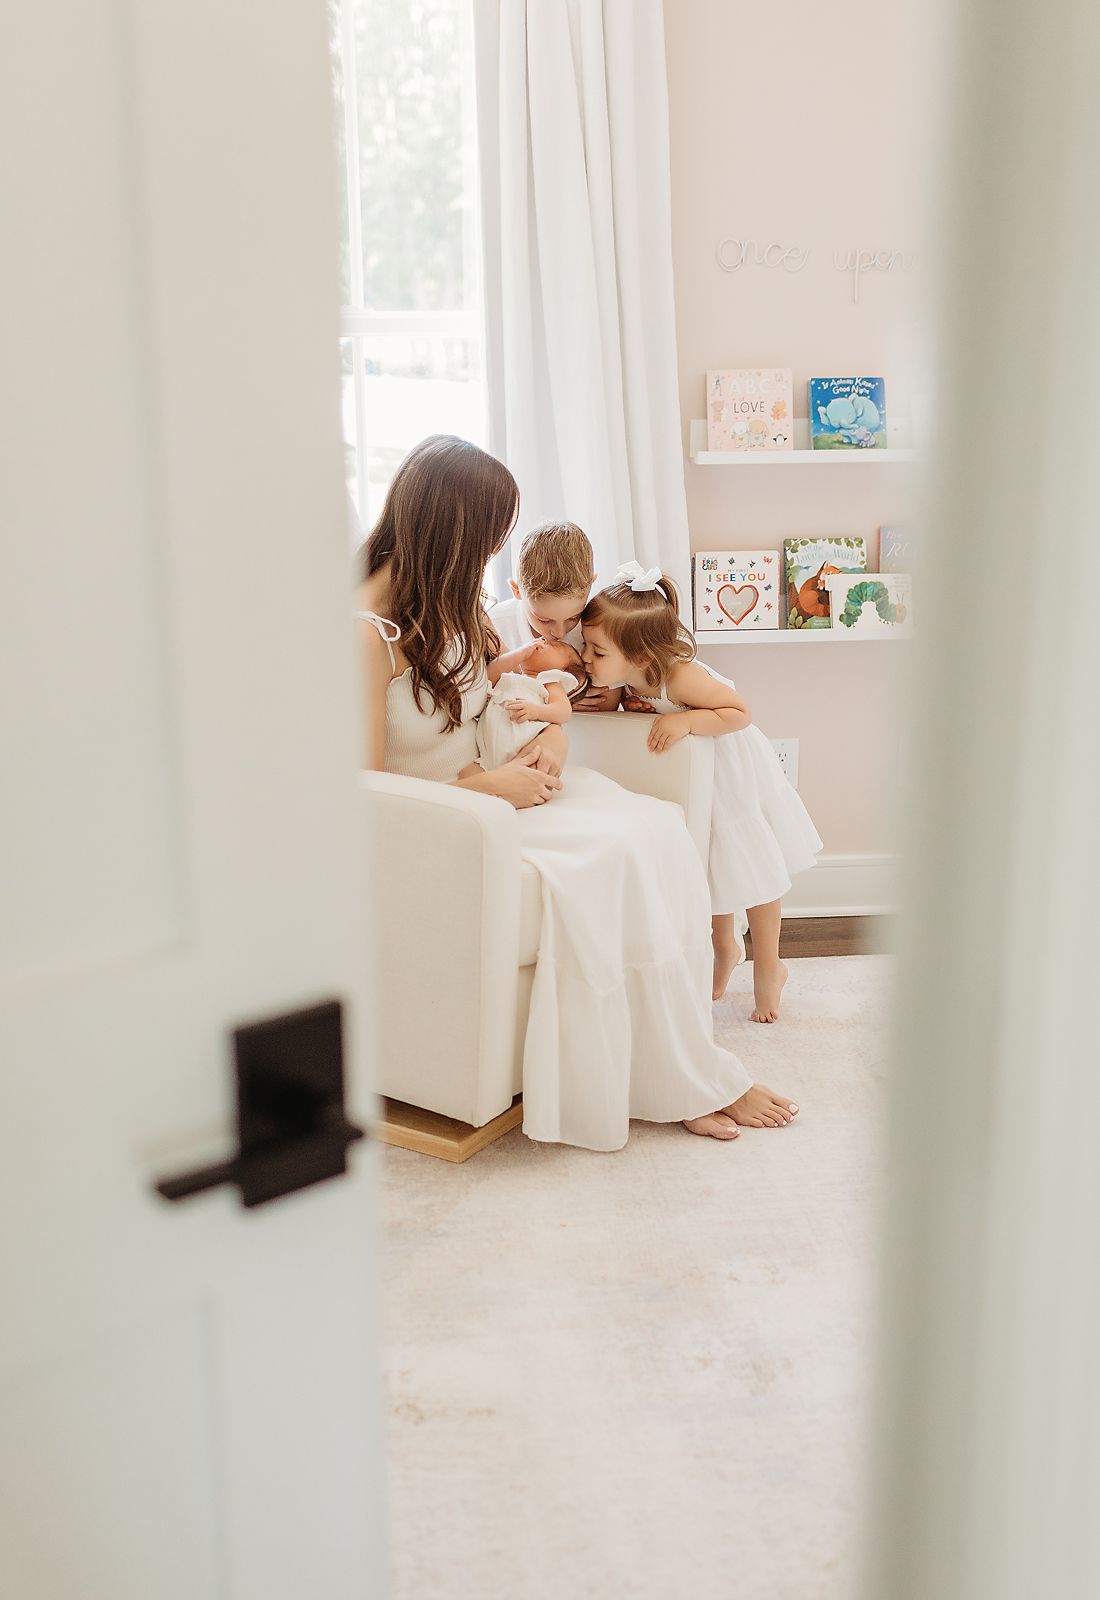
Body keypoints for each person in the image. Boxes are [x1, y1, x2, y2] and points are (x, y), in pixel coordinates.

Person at [357, 436, 798, 1145]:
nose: (490, 556)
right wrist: (489, 788)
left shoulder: (444, 601)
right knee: (610, 856)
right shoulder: (360, 631)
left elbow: (494, 696)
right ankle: (683, 1082)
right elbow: (365, 788)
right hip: (451, 816)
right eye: (487, 538)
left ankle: (678, 1068)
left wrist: (549, 737)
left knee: (654, 829)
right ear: (450, 531)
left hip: (501, 787)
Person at [582, 563, 823, 1021]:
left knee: (755, 867)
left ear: (638, 652)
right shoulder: (630, 674)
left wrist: (686, 719)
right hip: (701, 777)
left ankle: (769, 966)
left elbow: (740, 712)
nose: (587, 660)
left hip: (733, 770)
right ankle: (724, 947)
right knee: (712, 865)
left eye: (597, 652)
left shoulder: (681, 677)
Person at [489, 520, 621, 713]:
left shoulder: (598, 625)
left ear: (591, 585)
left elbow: (608, 701)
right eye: (544, 620)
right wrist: (557, 699)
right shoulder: (496, 624)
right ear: (516, 591)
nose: (559, 632)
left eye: (573, 617)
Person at [467, 638, 587, 774]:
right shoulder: (510, 676)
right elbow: (484, 679)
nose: (542, 641)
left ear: (563, 670)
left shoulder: (549, 680)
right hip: (486, 757)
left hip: (523, 750)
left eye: (552, 645)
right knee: (463, 778)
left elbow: (564, 711)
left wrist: (537, 711)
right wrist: (519, 654)